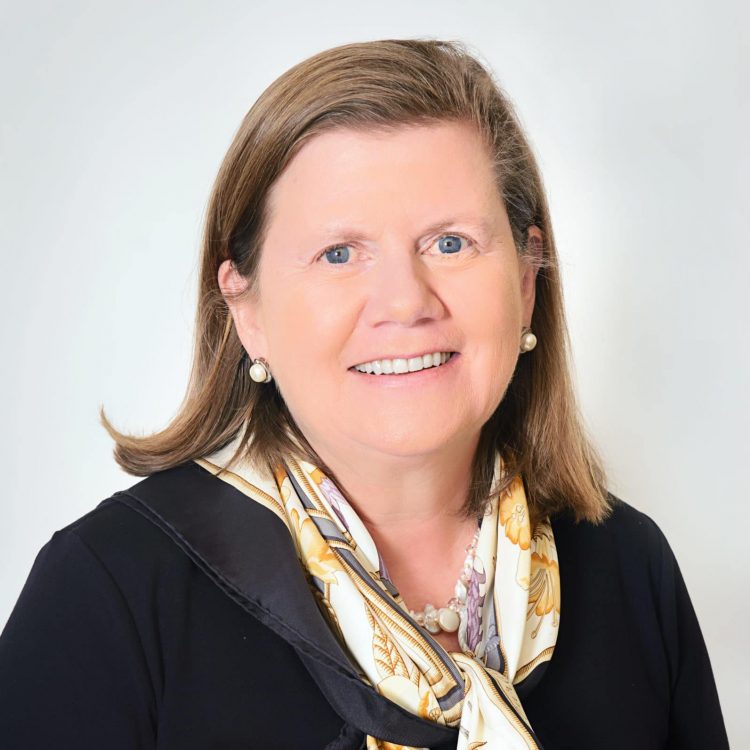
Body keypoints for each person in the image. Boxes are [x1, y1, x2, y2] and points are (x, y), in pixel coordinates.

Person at [0, 38, 729, 750]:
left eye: (449, 243)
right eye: (339, 253)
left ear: (528, 278)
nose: (404, 302)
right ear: (247, 309)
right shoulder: (109, 594)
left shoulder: (630, 570)